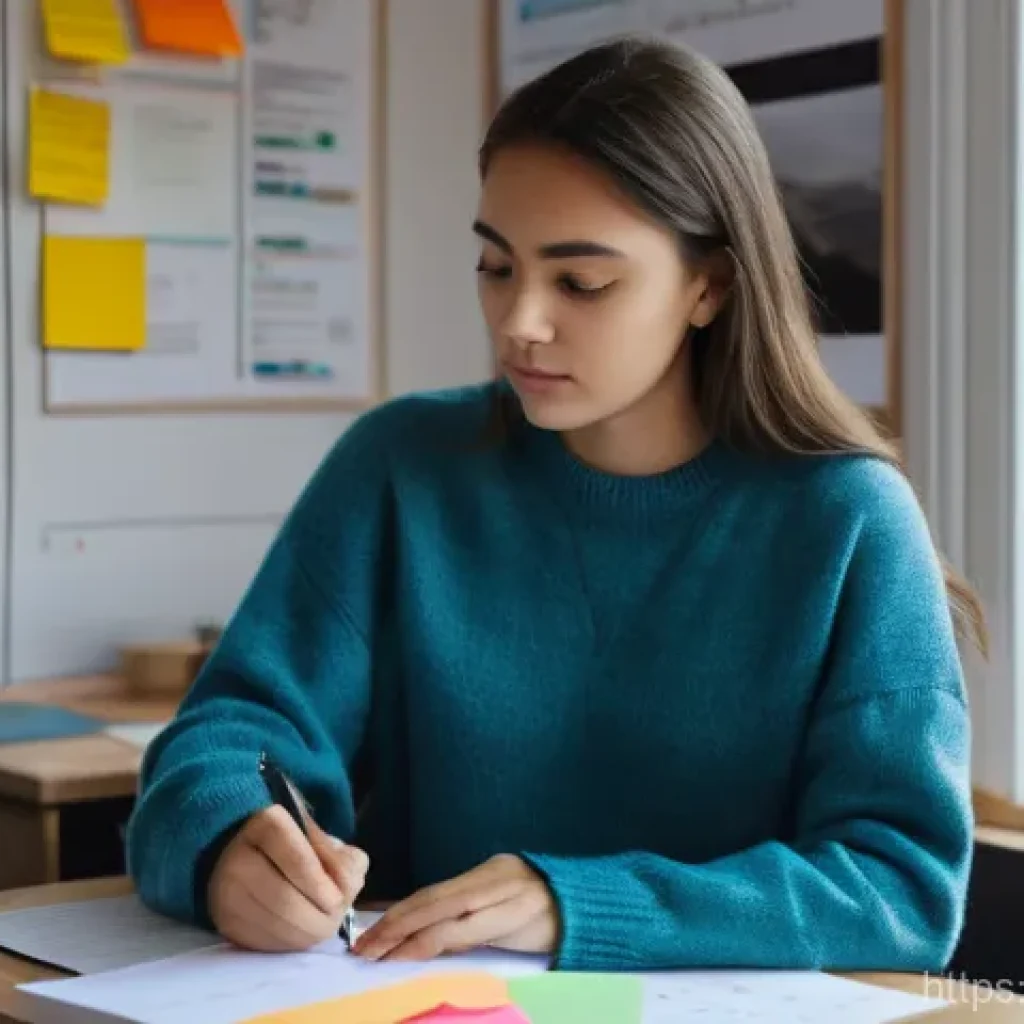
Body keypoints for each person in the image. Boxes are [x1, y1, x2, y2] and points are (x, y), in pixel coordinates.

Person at [126, 36, 985, 974]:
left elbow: (900, 890)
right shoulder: (403, 465)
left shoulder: (850, 520)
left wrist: (576, 902)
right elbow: (232, 735)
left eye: (582, 282)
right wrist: (226, 844)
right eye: (497, 267)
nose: (520, 322)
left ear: (713, 284)